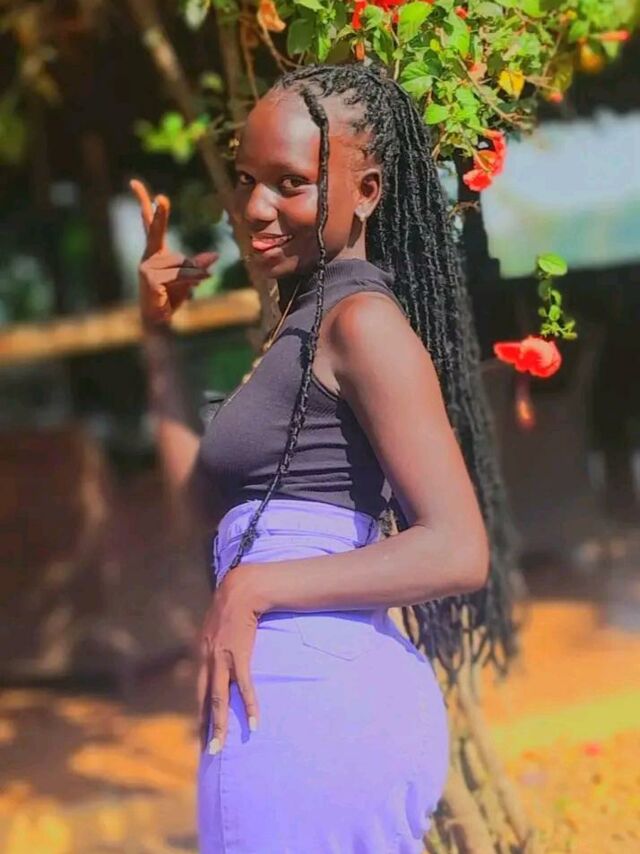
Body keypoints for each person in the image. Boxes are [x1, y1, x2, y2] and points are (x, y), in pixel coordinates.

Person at [132, 62, 516, 854]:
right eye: (247, 180)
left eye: (290, 183)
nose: (254, 207)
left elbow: (458, 547)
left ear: (366, 191)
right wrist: (158, 340)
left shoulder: (361, 322)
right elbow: (196, 510)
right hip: (284, 695)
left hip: (317, 703)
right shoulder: (303, 328)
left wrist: (256, 587)